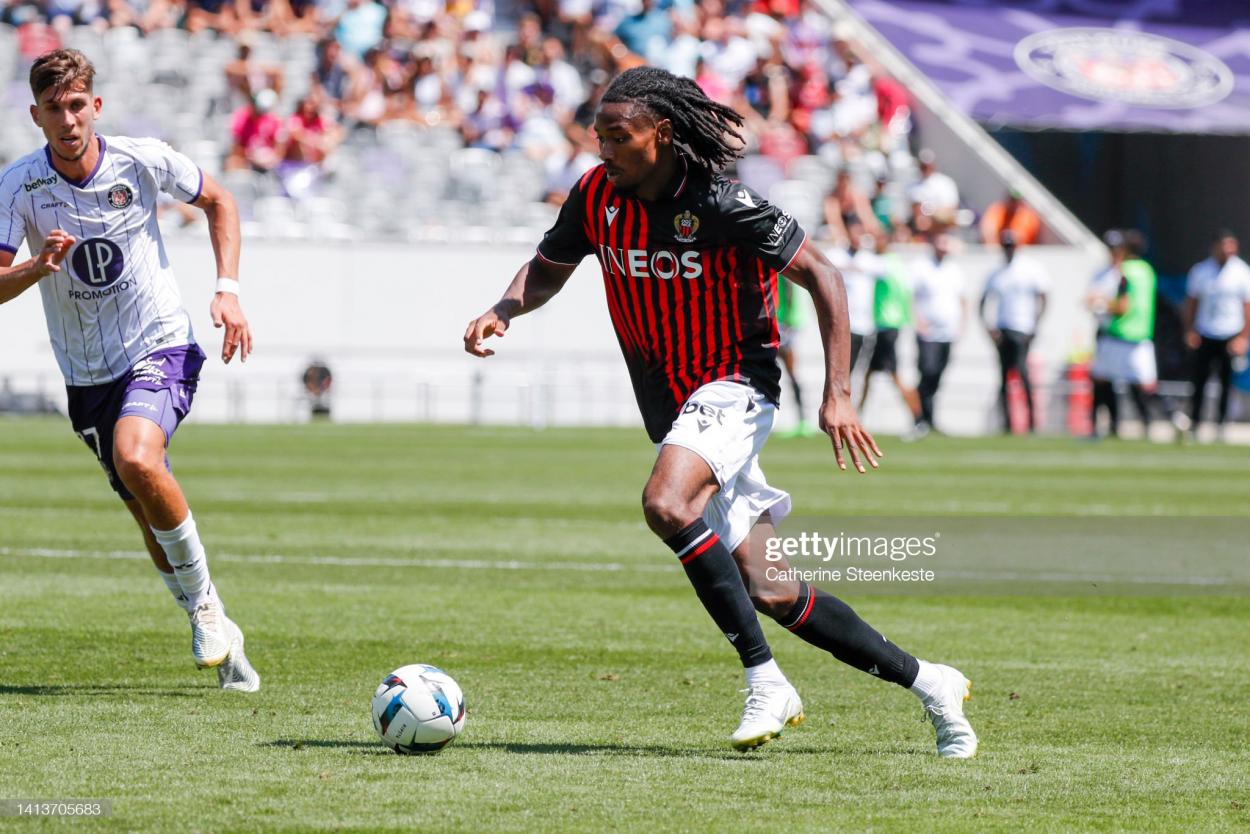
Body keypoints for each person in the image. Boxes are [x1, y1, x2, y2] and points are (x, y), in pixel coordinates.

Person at [464, 66, 976, 757]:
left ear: (663, 134)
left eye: (619, 137)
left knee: (666, 504)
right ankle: (930, 682)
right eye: (599, 137)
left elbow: (824, 275)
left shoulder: (723, 203)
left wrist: (837, 395)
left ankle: (766, 680)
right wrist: (504, 307)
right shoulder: (595, 196)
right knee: (773, 590)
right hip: (676, 404)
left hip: (735, 383)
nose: (603, 151)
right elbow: (549, 268)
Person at [0, 49, 259, 692]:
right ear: (36, 115)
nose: (69, 119)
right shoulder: (18, 186)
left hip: (159, 343)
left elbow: (220, 200)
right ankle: (220, 630)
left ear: (97, 106)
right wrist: (36, 269)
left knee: (138, 458)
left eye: (78, 105)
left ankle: (204, 609)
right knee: (146, 508)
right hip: (87, 374)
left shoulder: (141, 159)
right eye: (54, 109)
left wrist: (227, 288)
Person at [1086, 230, 1178, 439]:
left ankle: (1100, 427)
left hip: (1119, 335)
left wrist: (1099, 303)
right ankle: (1170, 416)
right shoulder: (1147, 271)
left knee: (1102, 381)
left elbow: (1122, 305)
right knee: (1145, 386)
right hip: (1142, 336)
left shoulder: (1123, 272)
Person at [1183, 230, 1250, 441]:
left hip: (1230, 334)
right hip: (1206, 332)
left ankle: (1220, 425)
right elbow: (1192, 304)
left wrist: (1243, 337)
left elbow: (1247, 307)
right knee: (1199, 380)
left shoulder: (1241, 272)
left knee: (1225, 382)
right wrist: (1190, 330)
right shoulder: (1201, 270)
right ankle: (1195, 423)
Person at [981, 229, 1048, 433]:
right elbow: (982, 302)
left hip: (1022, 328)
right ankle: (1007, 423)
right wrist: (989, 329)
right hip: (1003, 329)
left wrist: (1036, 324)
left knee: (1022, 374)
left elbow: (1044, 297)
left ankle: (1032, 423)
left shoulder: (1029, 268)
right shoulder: (996, 273)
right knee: (1003, 377)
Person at [859, 235, 921, 429]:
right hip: (892, 326)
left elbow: (859, 266)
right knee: (869, 373)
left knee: (894, 376)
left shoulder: (883, 264)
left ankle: (919, 418)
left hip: (886, 326)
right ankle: (857, 416)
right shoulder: (898, 264)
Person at [908, 234, 966, 437]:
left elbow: (962, 299)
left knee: (937, 376)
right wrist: (918, 321)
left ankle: (930, 419)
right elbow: (911, 296)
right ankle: (920, 418)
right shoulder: (921, 267)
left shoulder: (954, 270)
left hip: (947, 332)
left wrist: (962, 325)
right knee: (927, 372)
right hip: (928, 332)